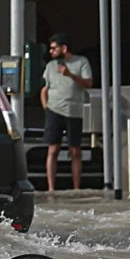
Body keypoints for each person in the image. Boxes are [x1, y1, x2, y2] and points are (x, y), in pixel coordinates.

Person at [37, 33, 94, 193]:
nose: (51, 51)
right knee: (53, 149)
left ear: (64, 48)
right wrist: (46, 108)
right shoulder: (50, 66)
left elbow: (88, 83)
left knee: (75, 150)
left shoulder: (81, 62)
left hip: (74, 111)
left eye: (54, 48)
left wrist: (70, 75)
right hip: (54, 110)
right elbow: (44, 90)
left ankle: (76, 187)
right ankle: (51, 188)